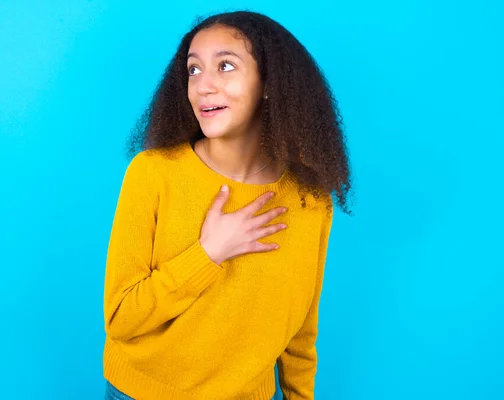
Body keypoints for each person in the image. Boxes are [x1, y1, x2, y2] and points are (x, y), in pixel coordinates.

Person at [102, 10, 353, 400]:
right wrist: (208, 253)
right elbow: (121, 319)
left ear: (269, 83)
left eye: (225, 66)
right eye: (194, 70)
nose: (203, 86)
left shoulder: (310, 201)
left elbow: (301, 328)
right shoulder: (153, 173)